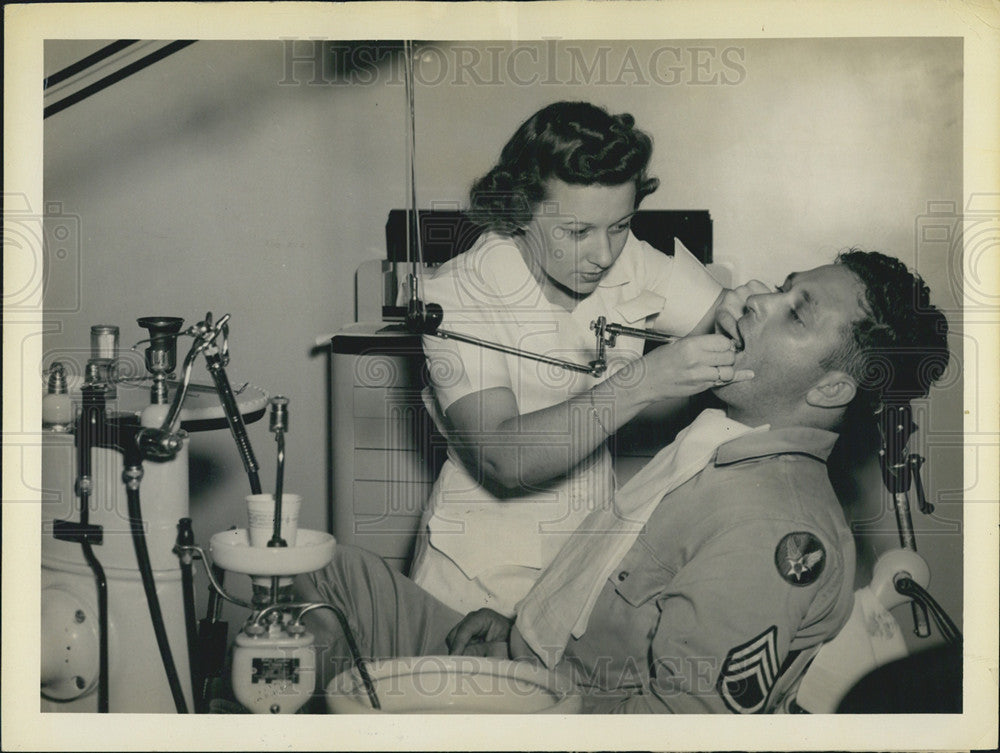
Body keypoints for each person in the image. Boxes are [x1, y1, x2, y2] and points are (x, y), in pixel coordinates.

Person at [298, 249, 949, 713]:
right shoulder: (719, 440)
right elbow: (605, 588)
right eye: (783, 284)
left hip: (548, 715)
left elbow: (679, 724)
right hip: (522, 657)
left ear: (834, 385)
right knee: (313, 568)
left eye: (795, 313)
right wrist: (520, 625)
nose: (754, 296)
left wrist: (528, 702)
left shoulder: (774, 526)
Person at [410, 101, 751, 617]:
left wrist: (759, 308)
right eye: (577, 233)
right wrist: (644, 381)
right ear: (522, 210)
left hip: (583, 570)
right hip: (476, 581)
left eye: (620, 225)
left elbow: (728, 315)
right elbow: (505, 458)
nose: (605, 254)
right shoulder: (459, 292)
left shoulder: (625, 255)